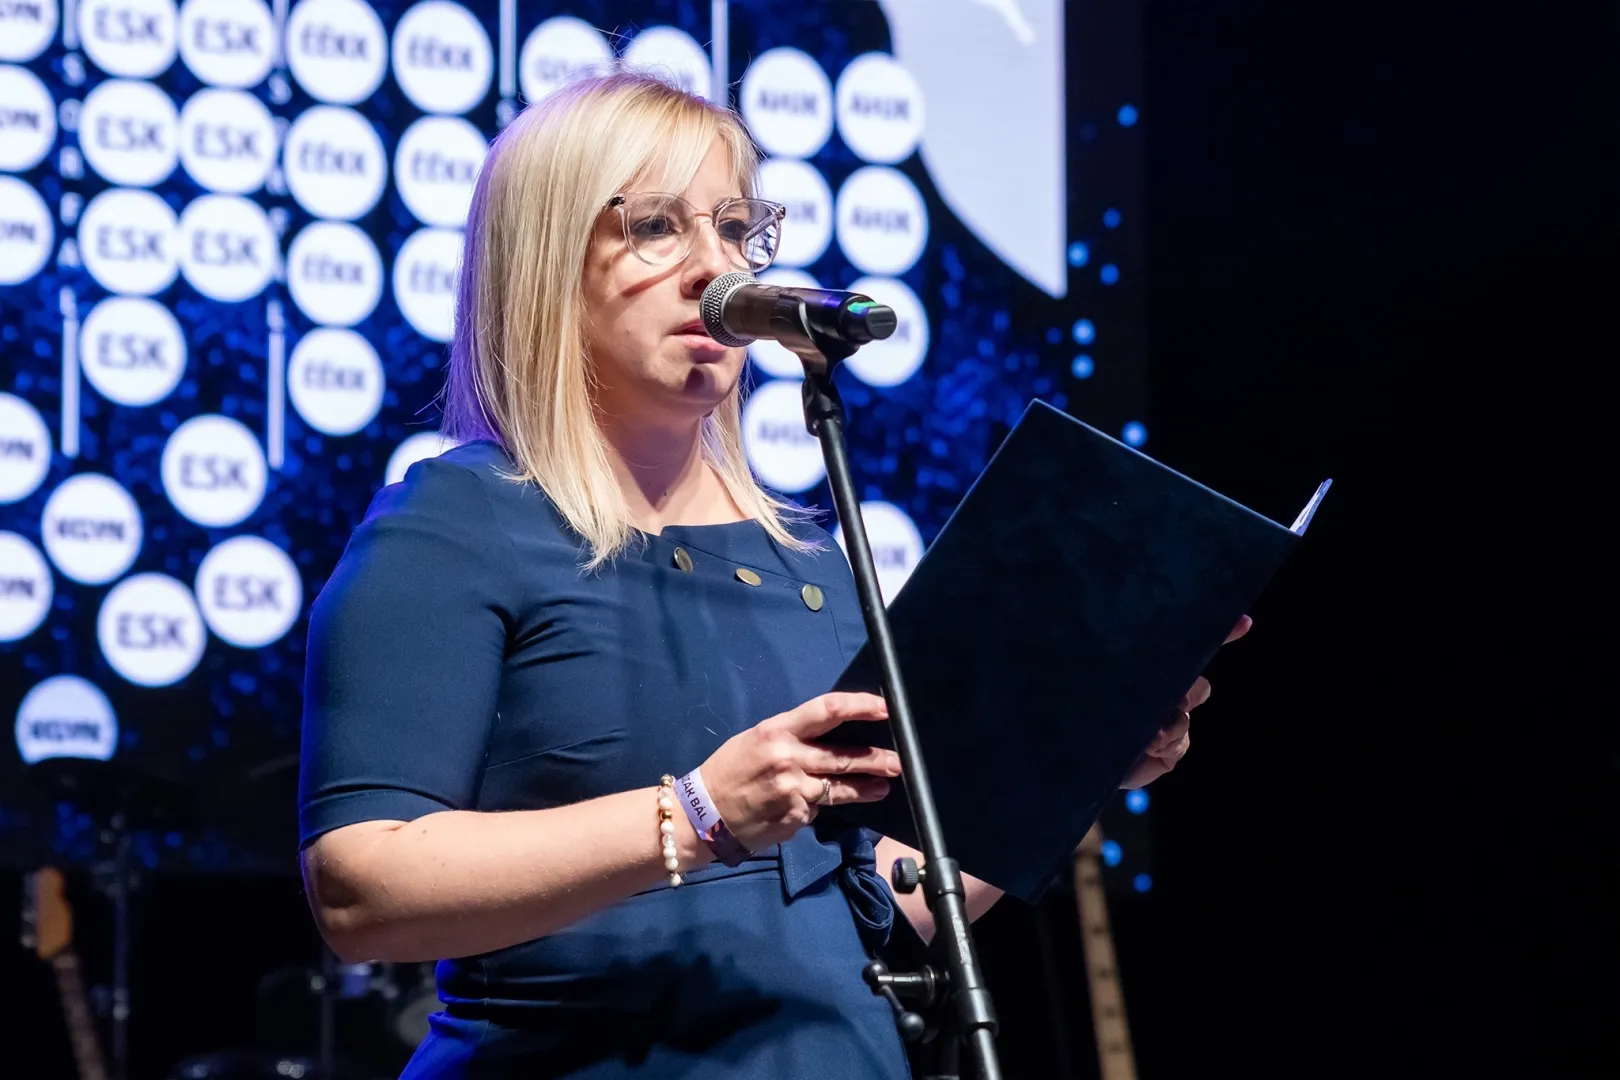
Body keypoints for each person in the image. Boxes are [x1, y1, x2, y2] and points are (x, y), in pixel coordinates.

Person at [297, 71, 1245, 1080]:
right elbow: (362, 888)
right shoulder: (459, 523)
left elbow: (882, 909)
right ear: (547, 263)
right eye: (657, 227)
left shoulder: (807, 562)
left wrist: (1082, 748)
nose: (715, 271)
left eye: (737, 230)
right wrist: (696, 814)